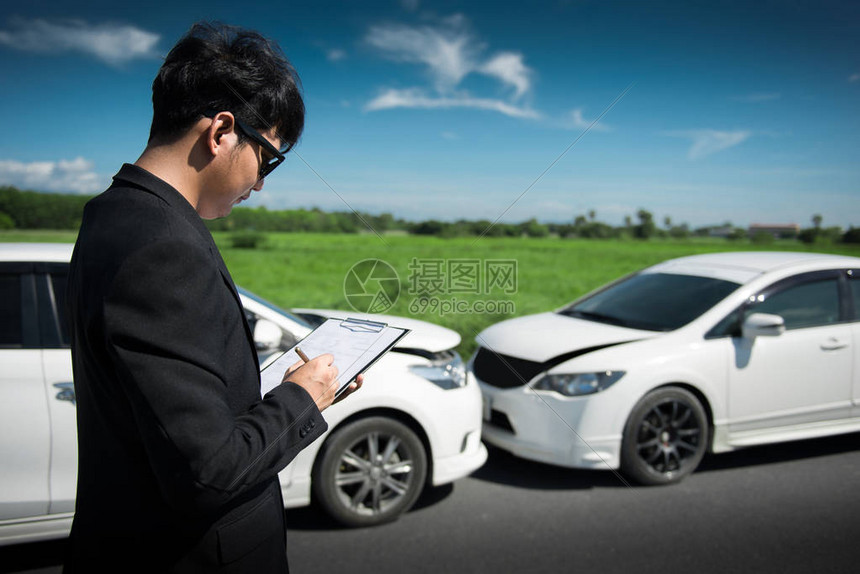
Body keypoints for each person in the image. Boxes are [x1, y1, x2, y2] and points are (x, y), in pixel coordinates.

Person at [64, 22, 359, 573]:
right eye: (268, 158)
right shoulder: (164, 246)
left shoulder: (110, 213)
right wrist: (303, 400)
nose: (262, 183)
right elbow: (208, 471)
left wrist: (293, 389)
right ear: (222, 131)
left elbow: (171, 403)